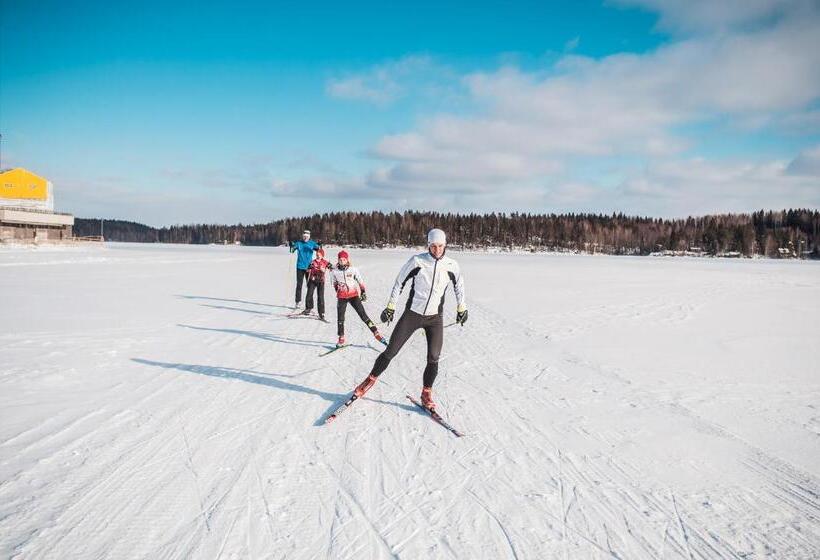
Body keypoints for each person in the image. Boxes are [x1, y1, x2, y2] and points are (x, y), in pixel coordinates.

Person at [351, 228, 467, 410]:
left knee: (434, 358)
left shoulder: (452, 265)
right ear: (428, 245)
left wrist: (462, 307)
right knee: (391, 351)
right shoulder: (417, 261)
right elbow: (399, 283)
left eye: (440, 246)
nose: (437, 250)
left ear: (445, 245)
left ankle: (426, 393)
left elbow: (459, 285)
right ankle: (369, 379)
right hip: (412, 314)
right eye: (433, 246)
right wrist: (390, 306)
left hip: (435, 318)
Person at [330, 250, 386, 347]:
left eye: (344, 259)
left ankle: (376, 333)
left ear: (347, 260)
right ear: (338, 260)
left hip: (353, 296)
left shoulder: (353, 270)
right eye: (340, 259)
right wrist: (338, 290)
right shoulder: (334, 271)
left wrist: (363, 291)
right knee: (340, 318)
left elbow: (360, 281)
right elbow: (334, 283)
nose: (342, 261)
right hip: (342, 297)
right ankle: (341, 338)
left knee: (363, 315)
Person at [289, 230, 321, 308]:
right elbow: (291, 251)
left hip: (309, 268)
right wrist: (291, 246)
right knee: (299, 285)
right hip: (300, 267)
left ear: (309, 237)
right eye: (304, 236)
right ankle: (298, 301)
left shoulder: (312, 243)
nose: (305, 238)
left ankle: (309, 303)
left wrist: (319, 245)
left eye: (306, 237)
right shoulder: (299, 243)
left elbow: (319, 250)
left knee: (310, 286)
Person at [302, 247, 331, 321]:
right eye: (317, 254)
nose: (318, 256)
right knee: (309, 294)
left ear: (322, 255)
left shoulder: (325, 262)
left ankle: (321, 313)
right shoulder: (313, 262)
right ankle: (308, 308)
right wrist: (309, 269)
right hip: (312, 280)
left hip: (321, 281)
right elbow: (307, 270)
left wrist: (324, 269)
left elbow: (332, 268)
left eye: (319, 254)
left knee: (320, 297)